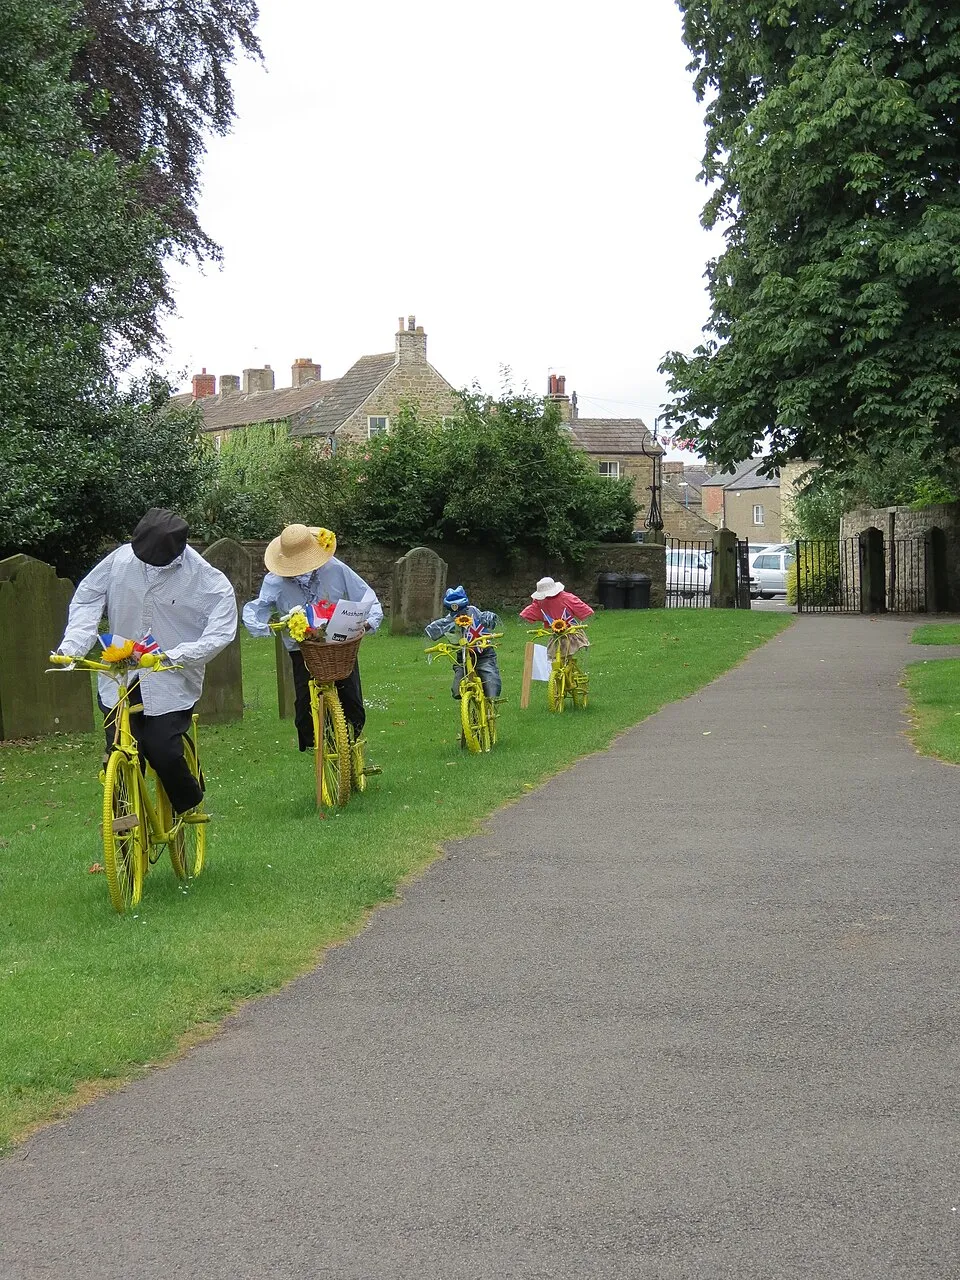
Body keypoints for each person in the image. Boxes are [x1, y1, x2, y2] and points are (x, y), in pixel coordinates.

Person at [58, 507, 238, 814]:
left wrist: (173, 656)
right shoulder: (119, 559)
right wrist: (74, 644)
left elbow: (221, 632)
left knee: (161, 750)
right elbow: (88, 596)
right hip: (119, 674)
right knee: (121, 754)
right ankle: (126, 846)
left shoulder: (206, 579)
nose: (142, 561)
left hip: (170, 678)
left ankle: (189, 801)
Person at [242, 523, 383, 750]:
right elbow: (259, 607)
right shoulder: (275, 581)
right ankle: (315, 749)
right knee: (305, 704)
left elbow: (366, 594)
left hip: (339, 643)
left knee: (352, 700)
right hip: (303, 648)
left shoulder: (335, 568)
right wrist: (260, 625)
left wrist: (370, 621)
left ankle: (350, 744)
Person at [424, 585, 502, 700]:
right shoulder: (449, 620)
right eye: (453, 609)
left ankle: (490, 704)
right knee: (457, 688)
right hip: (463, 656)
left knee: (491, 680)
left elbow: (483, 618)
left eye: (459, 608)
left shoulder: (473, 612)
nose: (458, 613)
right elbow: (440, 626)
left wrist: (490, 618)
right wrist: (431, 632)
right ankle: (468, 704)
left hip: (483, 653)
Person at [519, 576, 594, 655]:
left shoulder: (566, 597)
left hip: (572, 632)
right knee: (553, 655)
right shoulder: (540, 602)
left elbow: (582, 609)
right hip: (556, 634)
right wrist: (525, 617)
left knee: (566, 653)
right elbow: (531, 611)